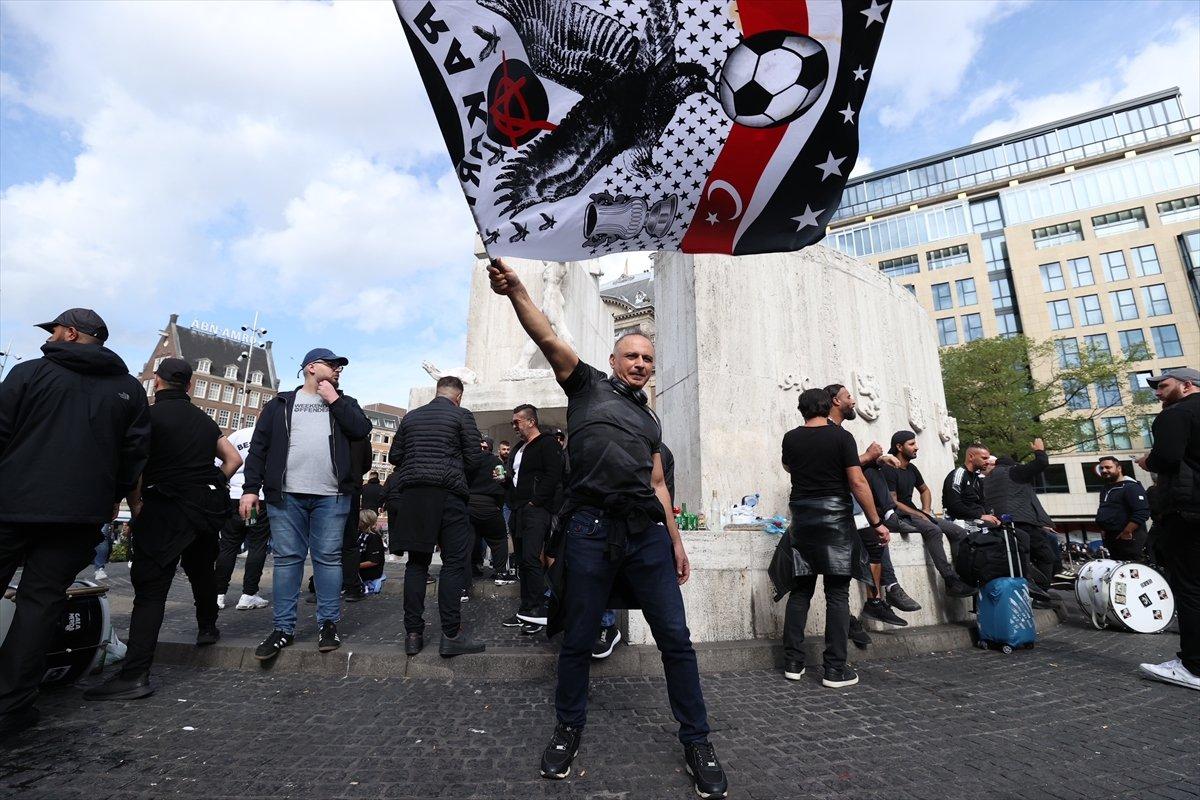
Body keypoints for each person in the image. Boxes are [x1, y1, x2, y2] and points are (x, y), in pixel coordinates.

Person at [489, 259, 728, 798]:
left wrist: (675, 539)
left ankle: (698, 740)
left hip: (644, 534)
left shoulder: (652, 420)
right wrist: (517, 292)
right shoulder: (586, 386)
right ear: (613, 360)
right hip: (590, 530)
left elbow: (660, 484)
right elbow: (545, 333)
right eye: (632, 356)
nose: (641, 364)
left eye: (648, 358)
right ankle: (567, 729)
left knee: (676, 640)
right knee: (577, 638)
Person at [0, 309, 151, 735]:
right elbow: (134, 455)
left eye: (52, 331)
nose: (48, 338)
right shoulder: (128, 389)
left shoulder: (29, 374)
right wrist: (108, 496)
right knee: (40, 604)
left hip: (10, 502)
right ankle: (11, 706)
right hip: (78, 513)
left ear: (69, 333)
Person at [84, 358, 240, 700]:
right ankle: (207, 628)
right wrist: (214, 481)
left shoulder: (148, 417)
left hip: (164, 508)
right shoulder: (205, 420)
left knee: (151, 591)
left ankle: (135, 673)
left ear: (157, 382)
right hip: (202, 510)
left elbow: (134, 464)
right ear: (189, 385)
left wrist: (134, 502)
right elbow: (234, 459)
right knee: (201, 573)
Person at [242, 348, 372, 661]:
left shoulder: (345, 403)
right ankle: (282, 628)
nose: (339, 369)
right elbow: (259, 448)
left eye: (342, 365)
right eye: (333, 364)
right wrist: (250, 489)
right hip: (286, 495)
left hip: (332, 495)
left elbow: (361, 430)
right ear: (311, 367)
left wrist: (335, 400)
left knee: (328, 559)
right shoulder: (280, 404)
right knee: (287, 560)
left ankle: (328, 624)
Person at [777, 388, 890, 691]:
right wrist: (876, 521)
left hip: (802, 519)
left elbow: (789, 467)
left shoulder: (791, 437)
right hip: (835, 520)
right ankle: (835, 669)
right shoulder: (841, 437)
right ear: (828, 406)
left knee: (800, 591)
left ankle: (793, 662)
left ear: (802, 410)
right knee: (837, 594)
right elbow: (856, 481)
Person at [388, 376, 486, 657]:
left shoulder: (411, 417)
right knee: (454, 563)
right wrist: (455, 472)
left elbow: (395, 456)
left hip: (415, 495)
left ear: (437, 392)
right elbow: (474, 458)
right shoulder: (461, 416)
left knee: (417, 564)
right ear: (459, 396)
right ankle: (451, 635)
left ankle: (413, 635)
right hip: (448, 495)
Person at [824, 384, 920, 628]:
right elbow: (839, 472)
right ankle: (855, 616)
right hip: (837, 509)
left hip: (852, 508)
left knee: (876, 546)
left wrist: (875, 459)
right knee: (841, 574)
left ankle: (875, 602)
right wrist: (867, 457)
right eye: (848, 397)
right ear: (835, 401)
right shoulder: (827, 431)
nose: (853, 401)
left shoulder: (840, 432)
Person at [1135, 367, 1200, 691]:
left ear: (1187, 386)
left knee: (1190, 588)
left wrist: (1150, 461)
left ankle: (1193, 666)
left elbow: (1168, 457)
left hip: (1188, 512)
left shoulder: (1175, 415)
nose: (1158, 393)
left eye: (1163, 386)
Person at [882, 431, 974, 598]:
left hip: (915, 513)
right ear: (899, 447)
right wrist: (919, 515)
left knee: (958, 532)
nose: (916, 447)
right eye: (911, 444)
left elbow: (924, 490)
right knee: (933, 530)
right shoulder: (889, 469)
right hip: (898, 516)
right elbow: (893, 502)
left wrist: (925, 509)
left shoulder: (911, 468)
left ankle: (963, 576)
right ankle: (951, 580)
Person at [505, 404, 563, 635]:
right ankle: (525, 609)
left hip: (535, 510)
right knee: (522, 560)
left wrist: (536, 501)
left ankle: (538, 610)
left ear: (531, 421)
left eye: (517, 421)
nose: (514, 426)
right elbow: (517, 477)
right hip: (518, 509)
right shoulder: (519, 448)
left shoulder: (547, 443)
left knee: (531, 558)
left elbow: (553, 474)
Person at [980, 439, 1058, 597]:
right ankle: (1040, 590)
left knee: (1019, 557)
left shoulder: (986, 480)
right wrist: (1039, 450)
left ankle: (1026, 589)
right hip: (1022, 523)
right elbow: (1041, 463)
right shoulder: (1013, 472)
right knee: (1046, 556)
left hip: (999, 524)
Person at [214, 426, 271, 611]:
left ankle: (218, 594)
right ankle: (248, 594)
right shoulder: (272, 434)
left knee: (228, 545)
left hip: (234, 496)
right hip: (255, 499)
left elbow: (218, 461)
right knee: (256, 545)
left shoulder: (239, 435)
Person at [468, 437, 515, 586]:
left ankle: (466, 579)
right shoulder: (495, 462)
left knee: (469, 542)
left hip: (469, 506)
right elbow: (503, 482)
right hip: (490, 506)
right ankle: (500, 572)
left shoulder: (468, 461)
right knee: (499, 539)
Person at [1095, 455, 1150, 562]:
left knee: (1134, 571)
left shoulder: (1131, 487)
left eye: (1108, 467)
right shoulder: (1105, 489)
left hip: (1129, 539)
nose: (1104, 470)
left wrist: (1127, 531)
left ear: (1119, 468)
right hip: (1112, 539)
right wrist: (1104, 529)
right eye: (1101, 468)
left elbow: (1142, 512)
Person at [356, 510, 386, 595]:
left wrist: (354, 566)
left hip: (370, 571)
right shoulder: (360, 534)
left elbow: (374, 561)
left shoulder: (374, 538)